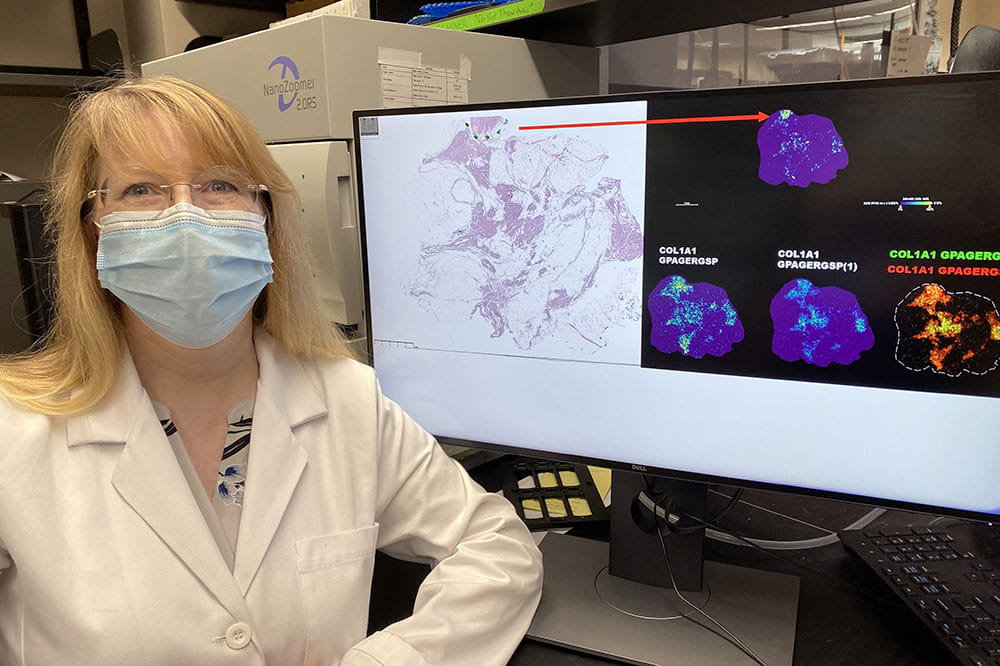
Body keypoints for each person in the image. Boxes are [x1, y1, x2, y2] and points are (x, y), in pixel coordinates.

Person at [0, 75, 542, 665]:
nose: (186, 219)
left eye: (219, 185)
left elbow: (496, 546)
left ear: (266, 217)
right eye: (141, 190)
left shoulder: (345, 399)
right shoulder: (13, 428)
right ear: (90, 229)